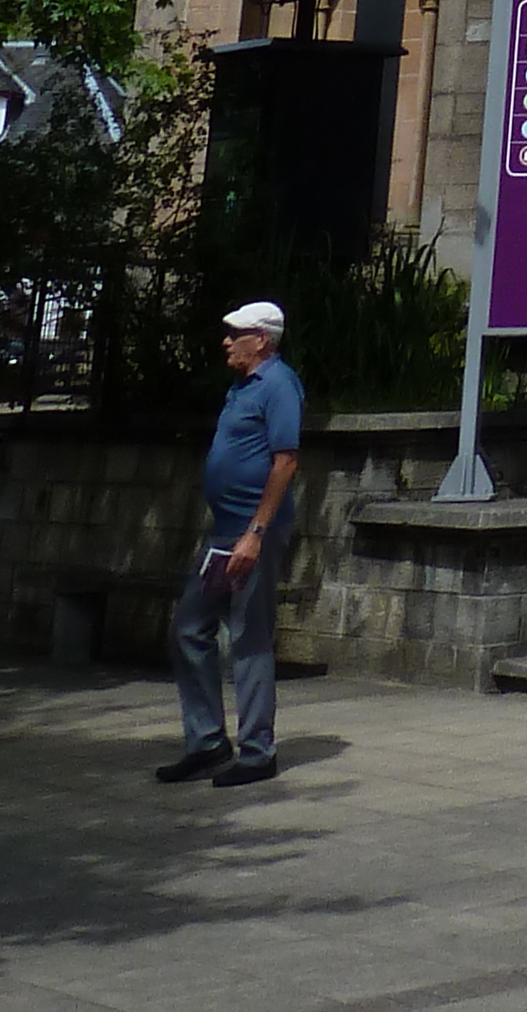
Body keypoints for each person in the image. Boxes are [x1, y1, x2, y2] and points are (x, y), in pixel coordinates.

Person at [156, 300, 304, 786]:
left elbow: (285, 461)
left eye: (235, 332)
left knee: (248, 635)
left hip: (250, 535)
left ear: (261, 339)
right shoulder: (240, 387)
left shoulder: (279, 385)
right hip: (224, 535)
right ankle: (207, 740)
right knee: (190, 628)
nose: (225, 340)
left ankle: (258, 751)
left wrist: (256, 533)